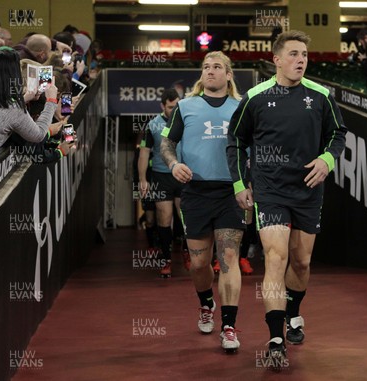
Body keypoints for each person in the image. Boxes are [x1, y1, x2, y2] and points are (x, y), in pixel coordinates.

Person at [226, 30, 347, 367]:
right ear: (276, 60)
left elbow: (338, 133)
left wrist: (327, 160)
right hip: (270, 189)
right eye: (293, 54)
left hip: (308, 189)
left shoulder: (321, 96)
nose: (301, 60)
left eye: (305, 55)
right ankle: (276, 338)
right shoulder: (255, 97)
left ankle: (294, 312)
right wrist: (239, 183)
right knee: (276, 257)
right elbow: (235, 141)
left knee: (302, 261)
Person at [160, 51, 245, 352]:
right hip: (195, 192)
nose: (211, 71)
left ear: (228, 74)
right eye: (206, 67)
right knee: (199, 264)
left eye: (217, 67)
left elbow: (254, 146)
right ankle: (206, 302)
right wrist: (172, 164)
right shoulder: (185, 107)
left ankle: (230, 326)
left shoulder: (241, 107)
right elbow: (167, 142)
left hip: (230, 193)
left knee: (229, 259)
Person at [138, 88, 183, 278]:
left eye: (177, 106)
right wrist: (142, 179)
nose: (174, 110)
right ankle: (166, 260)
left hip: (183, 175)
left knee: (186, 217)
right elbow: (144, 152)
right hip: (160, 176)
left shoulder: (186, 121)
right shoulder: (153, 125)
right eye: (171, 107)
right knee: (163, 218)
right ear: (162, 106)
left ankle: (190, 253)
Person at [0, 48, 58, 154]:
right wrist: (51, 101)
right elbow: (38, 135)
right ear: (15, 73)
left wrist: (23, 99)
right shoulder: (15, 110)